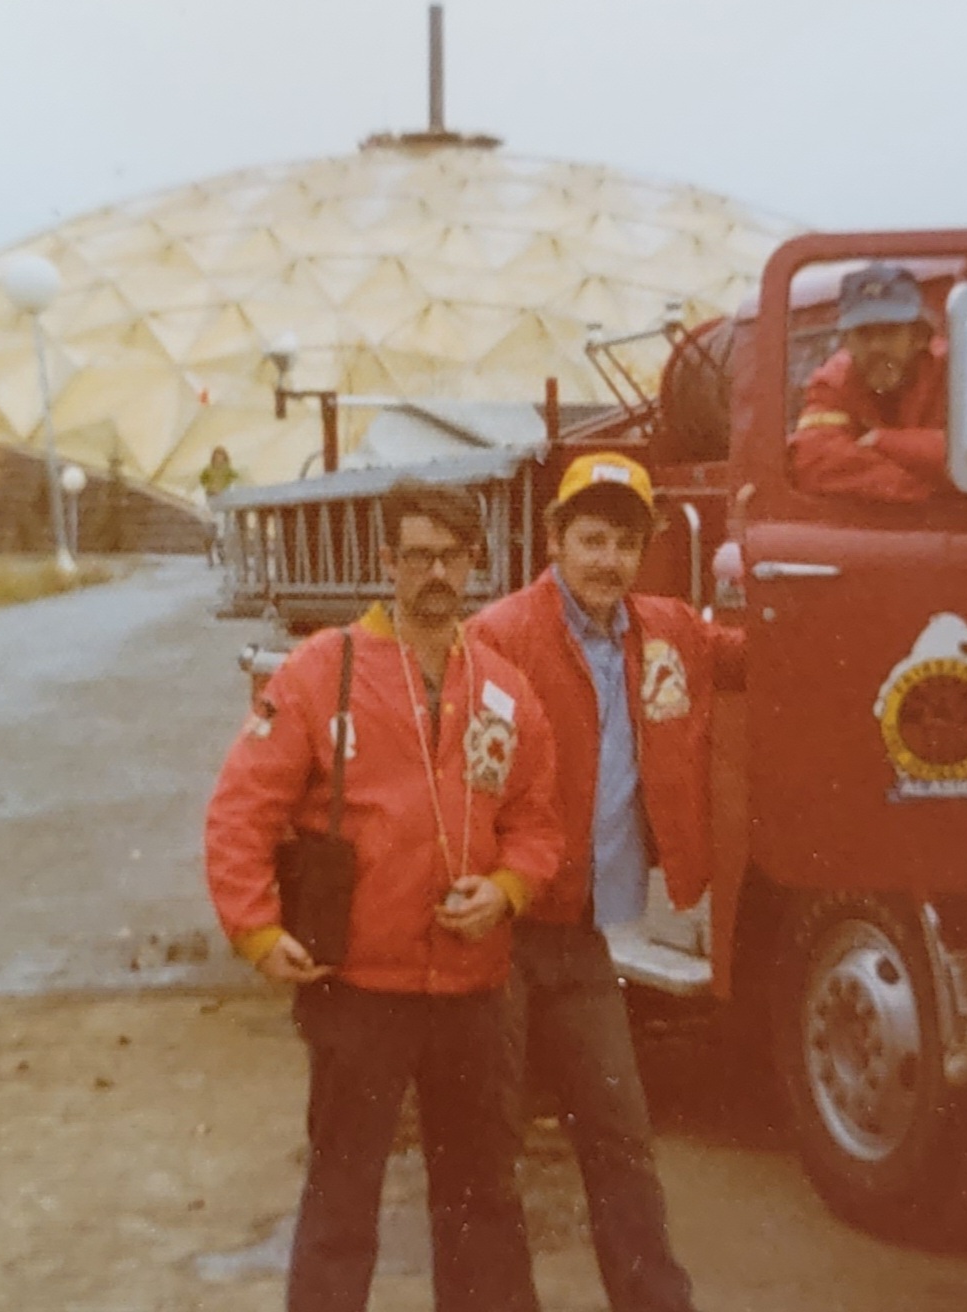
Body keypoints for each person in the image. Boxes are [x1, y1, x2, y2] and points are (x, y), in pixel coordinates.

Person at [204, 478, 562, 1312]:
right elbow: (240, 809)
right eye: (418, 556)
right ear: (387, 561)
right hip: (358, 989)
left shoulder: (502, 688)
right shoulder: (320, 672)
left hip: (472, 990)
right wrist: (255, 929)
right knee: (342, 1195)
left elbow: (538, 820)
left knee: (482, 1199)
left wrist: (506, 888)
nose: (436, 573)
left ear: (474, 564)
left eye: (452, 557)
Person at [466, 452, 742, 1312]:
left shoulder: (668, 631)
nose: (608, 561)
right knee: (485, 1143)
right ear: (553, 541)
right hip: (502, 934)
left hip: (584, 937)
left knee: (620, 1133)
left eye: (625, 543)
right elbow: (466, 785)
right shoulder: (499, 637)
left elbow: (760, 651)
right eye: (591, 539)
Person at [788, 261, 953, 503]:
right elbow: (814, 458)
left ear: (918, 336)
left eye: (889, 331)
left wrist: (883, 441)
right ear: (847, 341)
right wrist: (920, 489)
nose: (876, 347)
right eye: (864, 333)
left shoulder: (956, 372)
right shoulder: (833, 382)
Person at [200, 445, 240, 566]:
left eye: (221, 456)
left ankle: (222, 553)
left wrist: (228, 491)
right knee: (211, 528)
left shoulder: (228, 470)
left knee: (224, 528)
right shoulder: (208, 469)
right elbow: (203, 481)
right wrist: (210, 489)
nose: (219, 459)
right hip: (212, 500)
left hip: (224, 501)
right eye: (217, 456)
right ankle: (210, 555)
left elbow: (236, 479)